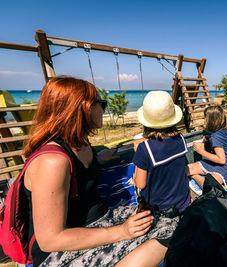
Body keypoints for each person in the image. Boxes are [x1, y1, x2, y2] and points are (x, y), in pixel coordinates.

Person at [23, 76, 170, 267]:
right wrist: (123, 231)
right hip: (62, 251)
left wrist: (98, 160)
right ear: (83, 107)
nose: (104, 108)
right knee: (167, 239)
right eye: (101, 103)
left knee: (171, 222)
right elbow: (50, 240)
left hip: (101, 221)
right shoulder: (52, 162)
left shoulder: (79, 145)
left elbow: (78, 174)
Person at [132, 90, 191, 247]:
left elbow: (140, 184)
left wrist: (138, 156)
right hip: (182, 201)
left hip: (161, 207)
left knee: (136, 185)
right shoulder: (181, 139)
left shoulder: (145, 149)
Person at [186, 105, 227, 188]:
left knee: (209, 186)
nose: (204, 120)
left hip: (224, 169)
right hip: (225, 166)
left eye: (205, 117)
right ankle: (197, 175)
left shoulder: (216, 137)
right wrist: (208, 140)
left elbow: (221, 160)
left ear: (212, 120)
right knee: (187, 169)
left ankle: (194, 176)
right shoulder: (225, 131)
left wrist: (201, 151)